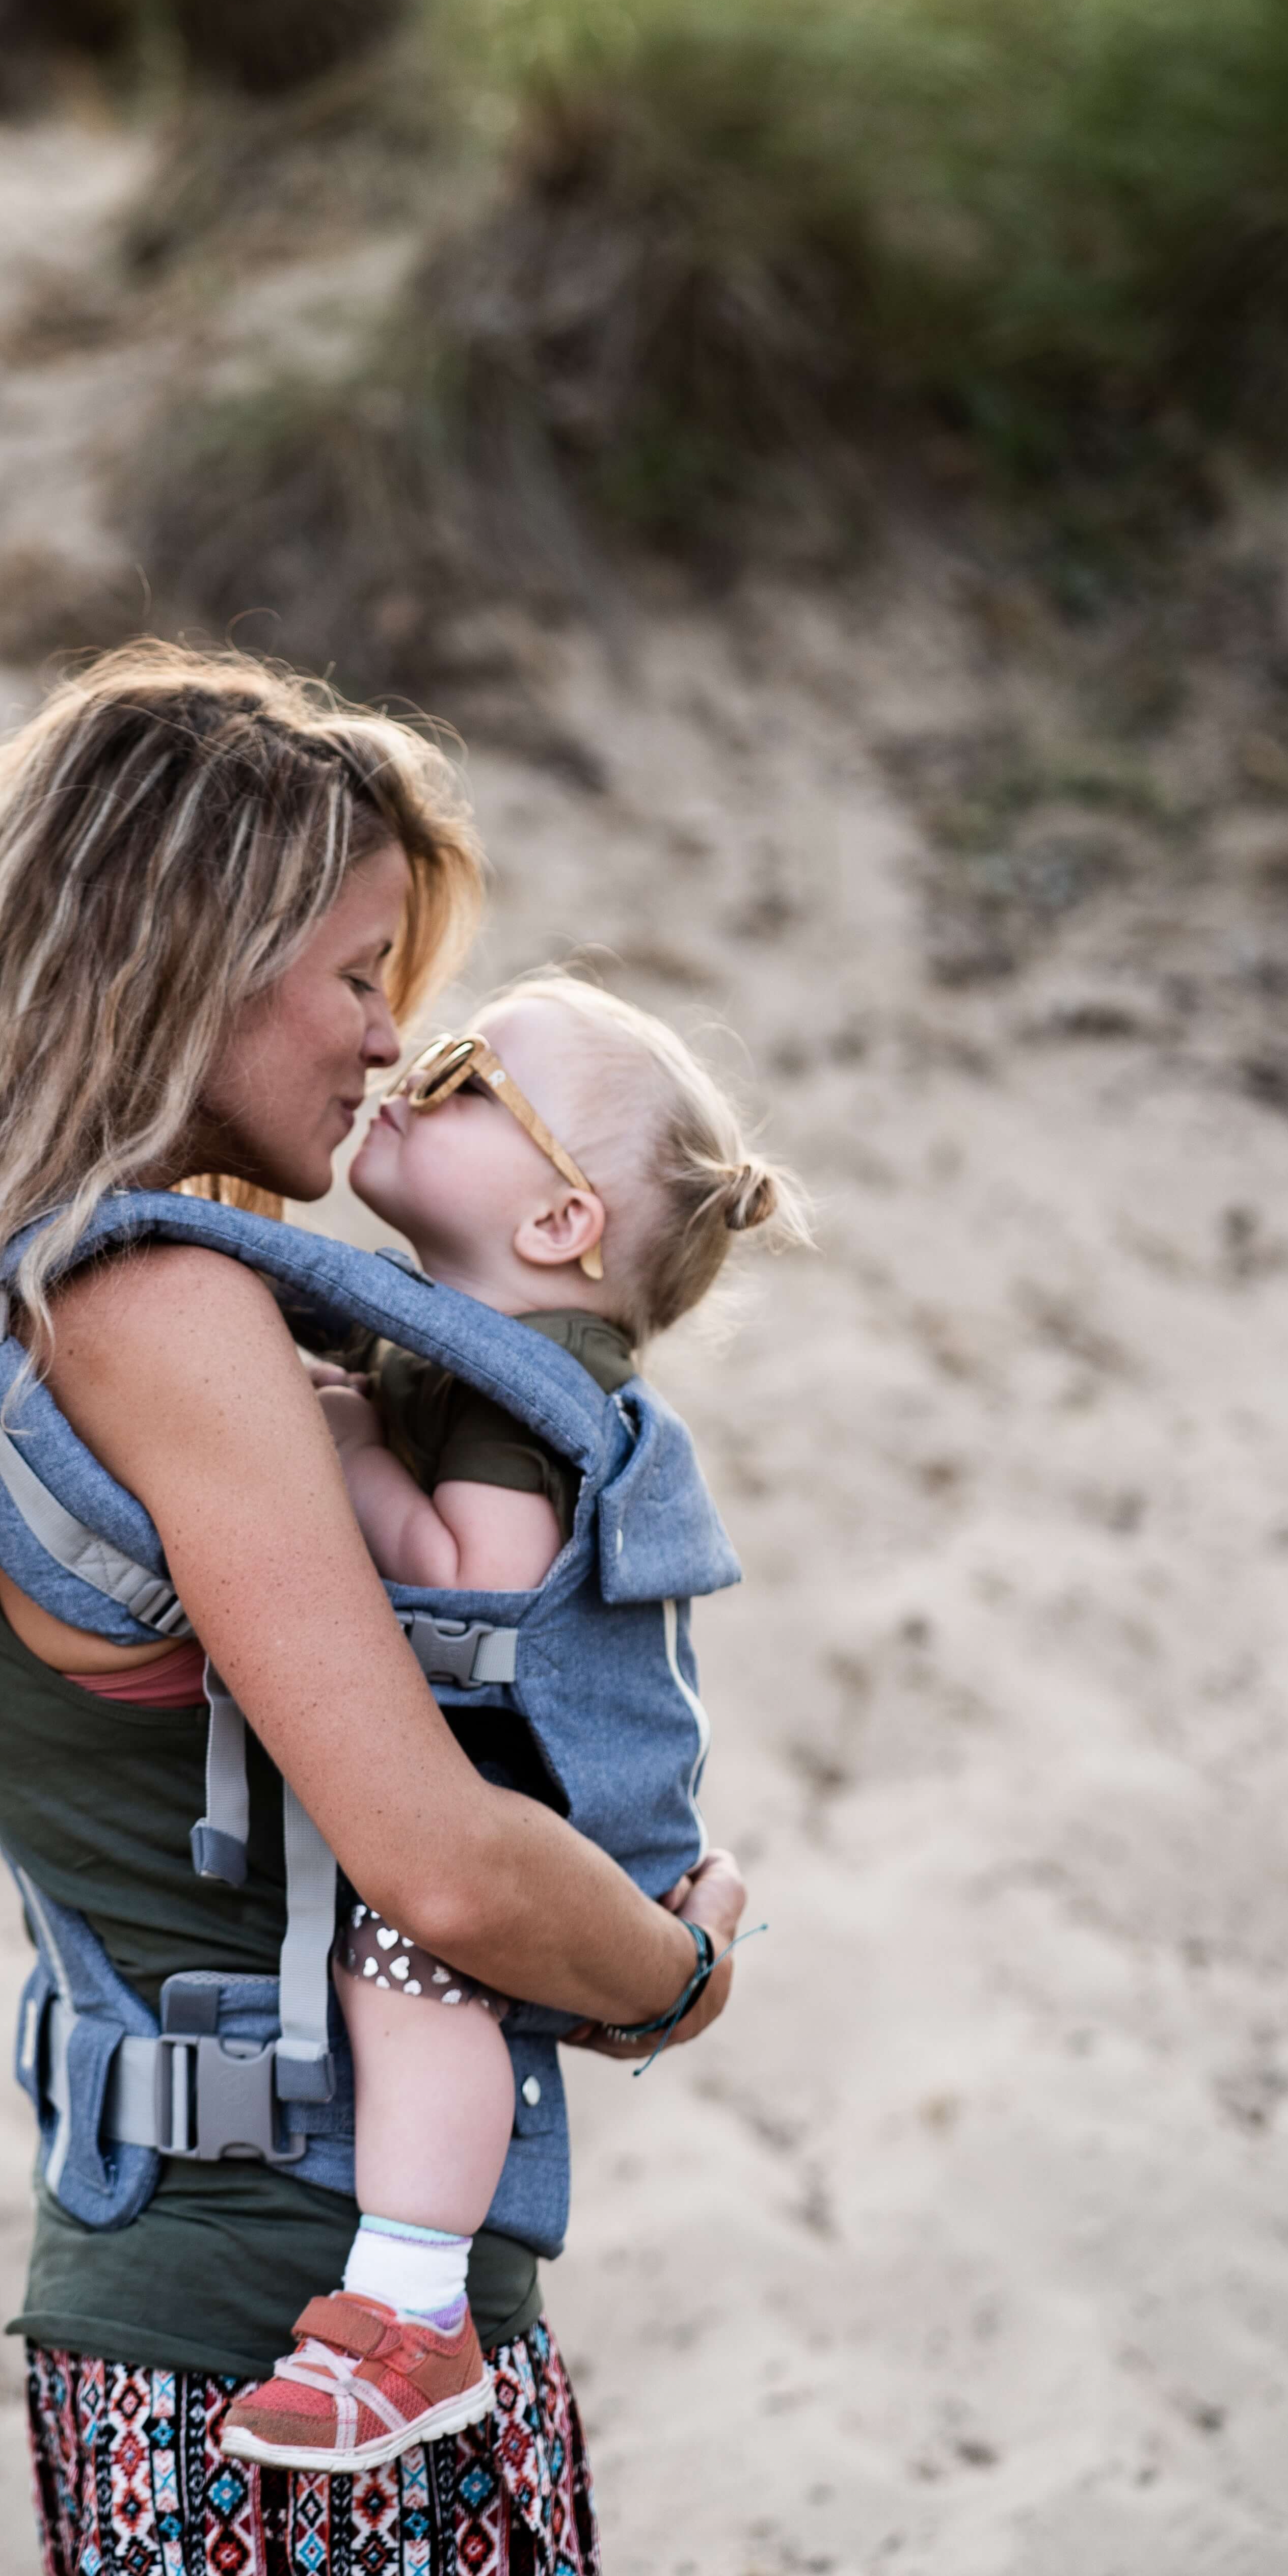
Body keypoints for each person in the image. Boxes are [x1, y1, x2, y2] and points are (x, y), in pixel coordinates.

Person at [0, 643, 750, 2576]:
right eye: (360, 973)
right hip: (299, 2292)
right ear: (183, 961)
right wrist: (672, 1977)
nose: (393, 1037)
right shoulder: (164, 1305)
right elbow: (441, 1861)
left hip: (270, 2254)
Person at [220, 973, 805, 2473]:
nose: (416, 1066)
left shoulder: (519, 1387)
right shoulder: (465, 1344)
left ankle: (413, 2311)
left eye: (472, 1072)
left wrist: (343, 1446)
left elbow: (487, 1583)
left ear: (556, 1227)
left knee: (414, 1959)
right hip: (544, 1765)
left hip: (551, 1790)